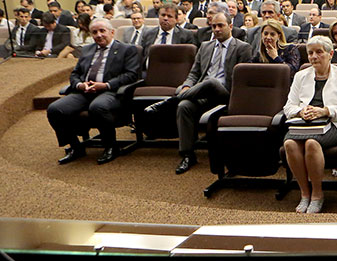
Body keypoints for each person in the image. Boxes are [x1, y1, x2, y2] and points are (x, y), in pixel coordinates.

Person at [143, 12, 253, 174]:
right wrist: (187, 86)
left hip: (227, 94)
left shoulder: (243, 48)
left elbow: (243, 79)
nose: (216, 29)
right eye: (213, 26)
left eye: (220, 25)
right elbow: (194, 73)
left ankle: (168, 103)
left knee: (211, 82)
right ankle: (187, 154)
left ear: (230, 26)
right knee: (184, 105)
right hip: (202, 93)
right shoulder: (205, 46)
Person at [47, 18, 141, 165]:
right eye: (95, 32)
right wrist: (79, 85)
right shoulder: (87, 49)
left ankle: (111, 147)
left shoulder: (127, 49)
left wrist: (106, 85)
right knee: (55, 109)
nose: (98, 35)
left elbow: (131, 75)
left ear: (112, 32)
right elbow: (75, 73)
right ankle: (75, 147)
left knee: (97, 107)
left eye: (102, 31)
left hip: (111, 92)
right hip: (84, 92)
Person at [282, 35, 337, 214]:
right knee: (290, 144)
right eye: (310, 53)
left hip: (333, 124)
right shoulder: (301, 76)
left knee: (311, 144)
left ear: (330, 54)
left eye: (319, 52)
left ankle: (317, 194)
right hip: (303, 123)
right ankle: (304, 193)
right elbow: (288, 106)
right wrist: (300, 112)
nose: (314, 57)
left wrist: (325, 111)